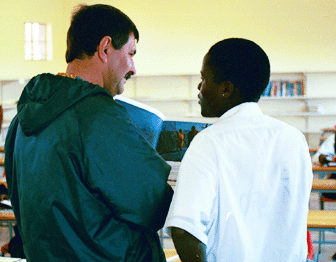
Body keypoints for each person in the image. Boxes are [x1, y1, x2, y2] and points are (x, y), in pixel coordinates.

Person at [5, 4, 173, 261]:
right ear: (105, 48)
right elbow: (153, 203)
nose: (133, 68)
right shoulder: (98, 116)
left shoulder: (22, 120)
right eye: (131, 53)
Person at [164, 38, 313, 261]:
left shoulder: (208, 141)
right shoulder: (294, 139)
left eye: (204, 78)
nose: (199, 87)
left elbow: (184, 229)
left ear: (226, 89)